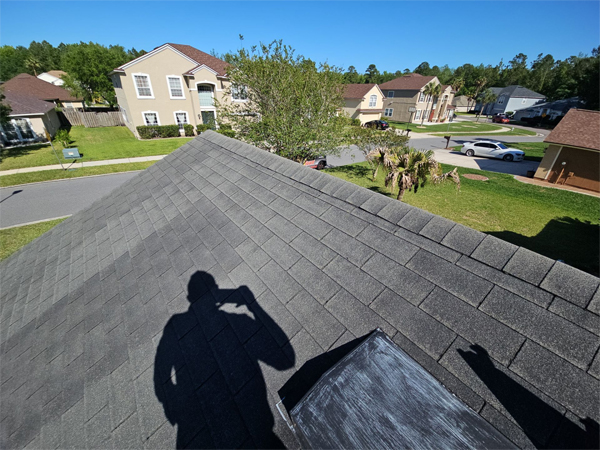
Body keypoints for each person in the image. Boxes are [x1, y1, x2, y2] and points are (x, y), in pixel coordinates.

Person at [154, 271, 294, 449]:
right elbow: (285, 360)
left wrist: (174, 407)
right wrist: (253, 305)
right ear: (216, 292)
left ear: (189, 297)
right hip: (260, 428)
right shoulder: (239, 321)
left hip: (195, 435)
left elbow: (161, 375)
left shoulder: (175, 325)